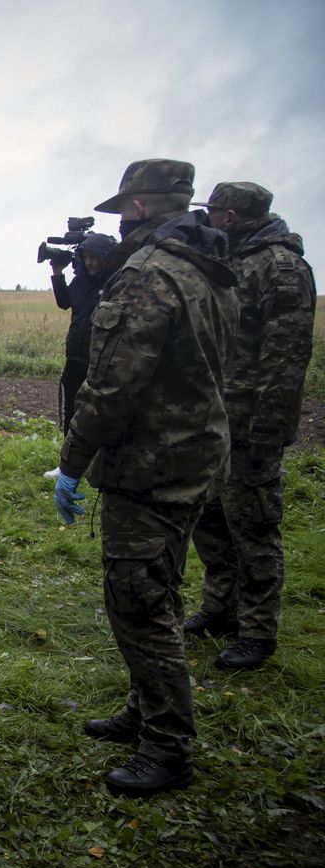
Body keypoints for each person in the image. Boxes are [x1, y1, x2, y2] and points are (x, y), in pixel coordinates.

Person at [52, 158, 237, 797]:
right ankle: (143, 710)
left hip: (153, 464)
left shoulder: (148, 276)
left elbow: (113, 385)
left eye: (123, 211)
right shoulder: (209, 268)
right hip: (197, 453)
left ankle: (167, 747)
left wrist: (72, 463)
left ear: (136, 208)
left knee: (138, 601)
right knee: (161, 585)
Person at [186, 182, 317, 670]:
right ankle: (220, 610)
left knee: (255, 528)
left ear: (234, 216)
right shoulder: (233, 260)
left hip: (251, 426)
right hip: (216, 419)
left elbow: (285, 359)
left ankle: (258, 631)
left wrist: (266, 431)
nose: (211, 220)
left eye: (216, 212)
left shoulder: (280, 267)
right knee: (212, 519)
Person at [49, 232, 118, 437]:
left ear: (105, 257)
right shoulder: (81, 281)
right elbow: (64, 302)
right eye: (86, 257)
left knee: (97, 413)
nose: (90, 263)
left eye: (94, 257)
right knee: (71, 410)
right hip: (75, 358)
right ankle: (66, 465)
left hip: (99, 362)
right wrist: (58, 272)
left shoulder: (115, 281)